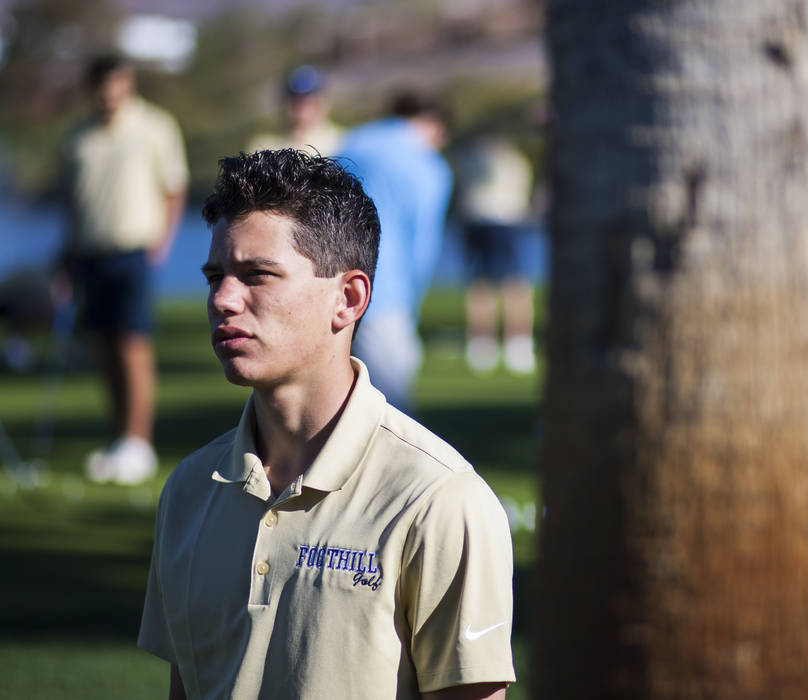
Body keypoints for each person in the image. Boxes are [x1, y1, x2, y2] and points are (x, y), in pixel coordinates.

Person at [138, 150, 515, 700]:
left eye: (257, 275)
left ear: (349, 298)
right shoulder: (190, 489)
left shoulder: (439, 498)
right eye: (215, 276)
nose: (222, 299)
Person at [61, 53, 188, 484]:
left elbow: (173, 188)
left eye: (118, 84)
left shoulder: (155, 126)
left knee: (133, 345)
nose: (110, 93)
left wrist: (162, 244)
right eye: (103, 85)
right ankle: (119, 441)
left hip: (135, 251)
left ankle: (138, 443)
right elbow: (72, 202)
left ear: (128, 84)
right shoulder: (79, 136)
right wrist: (67, 255)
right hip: (90, 253)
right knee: (104, 346)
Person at [336, 91, 452, 411]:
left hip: (325, 285)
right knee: (391, 413)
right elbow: (422, 247)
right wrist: (411, 303)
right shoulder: (428, 165)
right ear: (433, 125)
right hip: (385, 293)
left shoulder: (351, 142)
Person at [452, 130, 536, 374]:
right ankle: (503, 345)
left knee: (495, 284)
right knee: (499, 284)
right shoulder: (516, 160)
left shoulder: (472, 159)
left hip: (490, 221)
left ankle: (495, 345)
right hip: (500, 221)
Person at [247, 65, 343, 155]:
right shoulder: (264, 147)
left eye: (310, 103)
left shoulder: (343, 143)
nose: (302, 113)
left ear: (324, 103)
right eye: (295, 103)